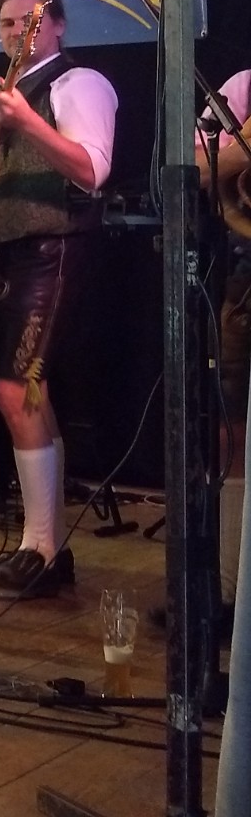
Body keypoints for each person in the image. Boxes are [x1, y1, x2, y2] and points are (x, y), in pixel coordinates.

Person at [0, 0, 117, 598]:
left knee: (17, 391)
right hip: (11, 254)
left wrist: (26, 120)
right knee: (28, 396)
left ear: (56, 25)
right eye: (7, 25)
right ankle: (47, 548)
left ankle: (40, 549)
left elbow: (91, 170)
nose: (17, 33)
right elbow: (12, 181)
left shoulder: (77, 83)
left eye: (28, 22)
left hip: (54, 251)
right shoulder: (14, 96)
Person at [196, 71, 249, 622]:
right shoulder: (243, 88)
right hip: (242, 274)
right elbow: (197, 163)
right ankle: (230, 590)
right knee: (229, 424)